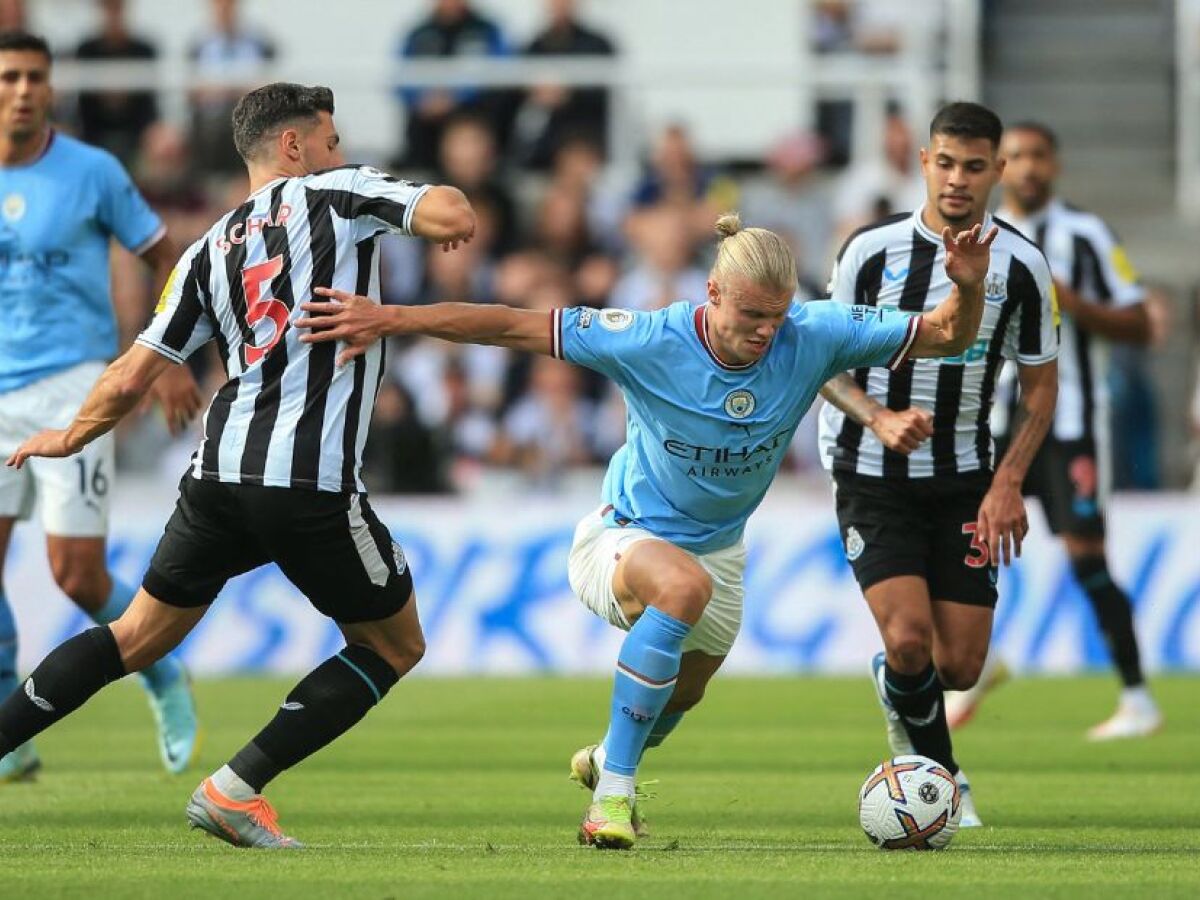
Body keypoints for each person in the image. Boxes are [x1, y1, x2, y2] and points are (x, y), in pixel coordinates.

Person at [290, 211, 999, 849]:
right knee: (679, 588)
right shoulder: (648, 338)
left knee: (679, 697)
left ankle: (608, 756)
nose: (764, 333)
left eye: (775, 318)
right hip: (621, 538)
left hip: (720, 552)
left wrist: (965, 287)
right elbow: (508, 323)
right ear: (712, 292)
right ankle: (612, 799)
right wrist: (391, 318)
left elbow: (944, 333)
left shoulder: (811, 334)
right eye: (751, 314)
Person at [0, 81, 476, 847]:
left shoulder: (205, 250)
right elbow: (455, 213)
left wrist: (69, 435)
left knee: (135, 636)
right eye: (329, 138)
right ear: (294, 147)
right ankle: (233, 789)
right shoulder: (340, 192)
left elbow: (132, 372)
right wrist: (436, 211)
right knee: (394, 645)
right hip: (308, 482)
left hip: (216, 478)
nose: (339, 152)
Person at [817, 102, 1059, 827]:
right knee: (910, 640)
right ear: (925, 161)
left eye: (974, 166)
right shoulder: (870, 250)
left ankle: (900, 689)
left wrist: (1008, 482)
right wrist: (878, 417)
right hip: (871, 476)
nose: (958, 179)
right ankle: (943, 783)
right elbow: (821, 360)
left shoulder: (1022, 265)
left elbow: (1041, 385)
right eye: (946, 163)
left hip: (964, 479)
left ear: (998, 170)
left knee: (959, 667)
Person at [0, 31, 202, 783]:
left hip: (72, 385)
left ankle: (162, 671)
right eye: (10, 77)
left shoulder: (91, 172)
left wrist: (171, 360)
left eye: (34, 78)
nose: (23, 89)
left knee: (76, 576)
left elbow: (165, 257)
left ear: (50, 88)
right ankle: (11, 737)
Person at [944, 122, 1162, 740]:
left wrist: (1070, 302)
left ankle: (1137, 695)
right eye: (1014, 157)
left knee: (1085, 555)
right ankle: (975, 666)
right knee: (968, 544)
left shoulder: (1084, 236)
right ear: (997, 168)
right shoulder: (982, 241)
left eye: (1038, 155)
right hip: (990, 423)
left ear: (1055, 165)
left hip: (1069, 425)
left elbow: (1142, 324)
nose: (1027, 167)